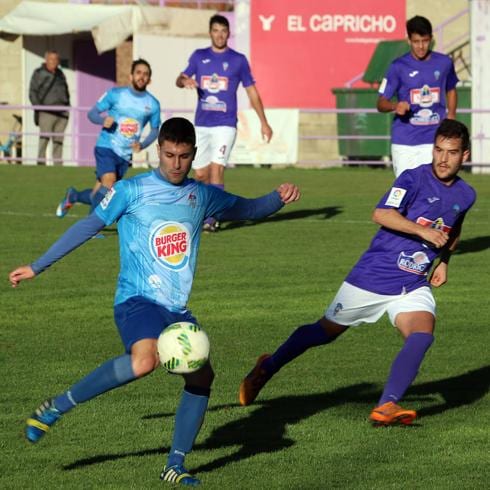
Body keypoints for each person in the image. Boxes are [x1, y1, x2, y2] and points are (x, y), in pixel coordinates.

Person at [9, 117, 300, 486]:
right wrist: (38, 266)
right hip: (136, 299)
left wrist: (279, 196)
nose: (175, 164)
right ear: (157, 150)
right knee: (144, 361)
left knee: (203, 376)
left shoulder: (203, 195)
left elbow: (250, 209)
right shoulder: (132, 191)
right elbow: (87, 226)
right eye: (168, 154)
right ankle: (56, 407)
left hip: (176, 308)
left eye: (183, 156)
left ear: (194, 154)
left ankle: (175, 465)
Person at [239, 119, 475, 427]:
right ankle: (267, 367)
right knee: (323, 332)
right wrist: (422, 232)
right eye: (438, 150)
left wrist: (444, 261)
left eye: (451, 152)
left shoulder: (466, 194)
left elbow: (453, 228)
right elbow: (381, 213)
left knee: (422, 334)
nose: (443, 159)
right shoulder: (413, 179)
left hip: (413, 282)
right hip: (373, 276)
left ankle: (387, 404)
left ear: (465, 156)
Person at [176, 14, 273, 232]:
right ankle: (200, 211)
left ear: (228, 33)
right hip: (201, 124)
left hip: (225, 124)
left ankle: (212, 219)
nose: (219, 35)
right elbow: (179, 79)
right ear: (210, 32)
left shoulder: (238, 60)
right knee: (200, 174)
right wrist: (185, 80)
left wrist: (263, 122)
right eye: (216, 30)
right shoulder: (199, 57)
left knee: (217, 169)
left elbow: (252, 92)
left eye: (223, 30)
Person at [55, 58, 161, 218]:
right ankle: (91, 227)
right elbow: (92, 114)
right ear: (131, 76)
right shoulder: (116, 94)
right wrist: (103, 120)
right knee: (109, 182)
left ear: (149, 79)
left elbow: (155, 130)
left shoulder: (153, 104)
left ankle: (74, 196)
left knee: (101, 193)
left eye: (145, 74)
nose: (142, 76)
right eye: (138, 72)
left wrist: (143, 144)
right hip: (107, 146)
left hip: (125, 155)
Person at [377, 15, 459, 177]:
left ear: (431, 39)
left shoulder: (444, 63)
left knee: (433, 191)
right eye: (416, 42)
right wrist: (395, 106)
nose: (421, 46)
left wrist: (451, 116)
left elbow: (451, 89)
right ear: (409, 40)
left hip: (435, 140)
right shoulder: (398, 66)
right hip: (405, 142)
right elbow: (381, 103)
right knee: (406, 191)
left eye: (425, 41)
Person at [29, 50, 70, 166]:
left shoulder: (60, 74)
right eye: (51, 59)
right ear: (46, 60)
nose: (54, 62)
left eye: (56, 59)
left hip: (62, 112)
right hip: (46, 112)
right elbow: (33, 92)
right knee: (44, 137)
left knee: (58, 140)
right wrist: (39, 108)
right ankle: (41, 163)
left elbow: (66, 91)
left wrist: (67, 106)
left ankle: (58, 164)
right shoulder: (38, 73)